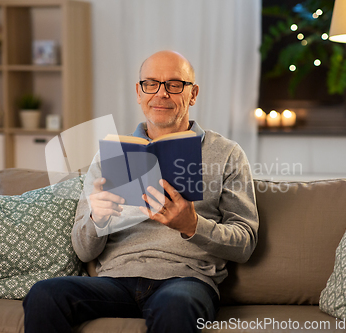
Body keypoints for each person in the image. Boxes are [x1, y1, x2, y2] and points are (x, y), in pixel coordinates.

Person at [23, 50, 259, 333]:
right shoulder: (109, 155)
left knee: (176, 305)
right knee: (44, 294)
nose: (161, 94)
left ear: (193, 94)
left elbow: (245, 243)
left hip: (186, 280)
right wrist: (97, 220)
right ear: (139, 91)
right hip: (115, 281)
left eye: (174, 84)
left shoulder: (227, 154)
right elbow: (83, 251)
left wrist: (193, 226)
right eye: (151, 84)